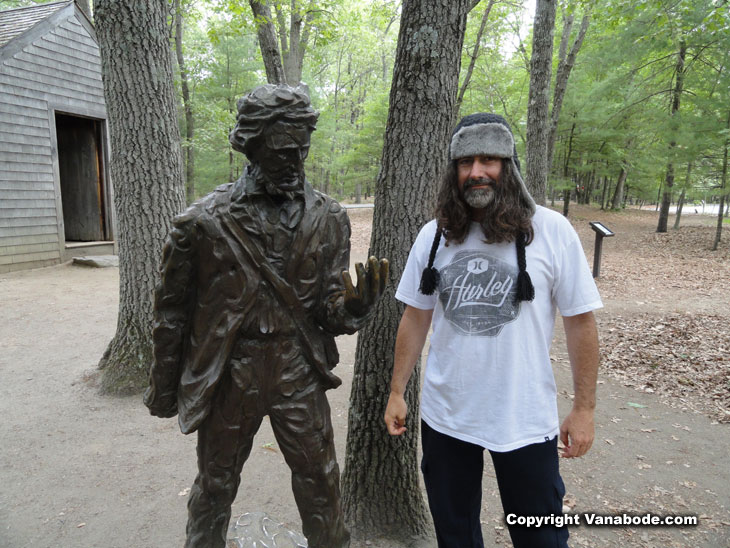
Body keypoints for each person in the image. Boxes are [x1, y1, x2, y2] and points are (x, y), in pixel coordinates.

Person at [143, 84, 387, 548]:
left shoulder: (329, 217)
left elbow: (327, 307)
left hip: (297, 369)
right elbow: (170, 314)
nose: (295, 164)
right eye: (282, 153)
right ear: (251, 147)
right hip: (232, 370)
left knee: (321, 480)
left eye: (301, 151)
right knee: (215, 483)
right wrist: (163, 390)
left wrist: (353, 307)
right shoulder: (202, 222)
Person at [384, 113, 601, 548]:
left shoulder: (551, 231)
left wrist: (584, 409)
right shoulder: (435, 236)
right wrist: (396, 390)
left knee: (540, 539)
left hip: (524, 418)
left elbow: (581, 322)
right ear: (453, 171)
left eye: (489, 159)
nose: (476, 171)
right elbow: (415, 316)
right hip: (447, 418)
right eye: (465, 162)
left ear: (509, 166)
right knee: (456, 535)